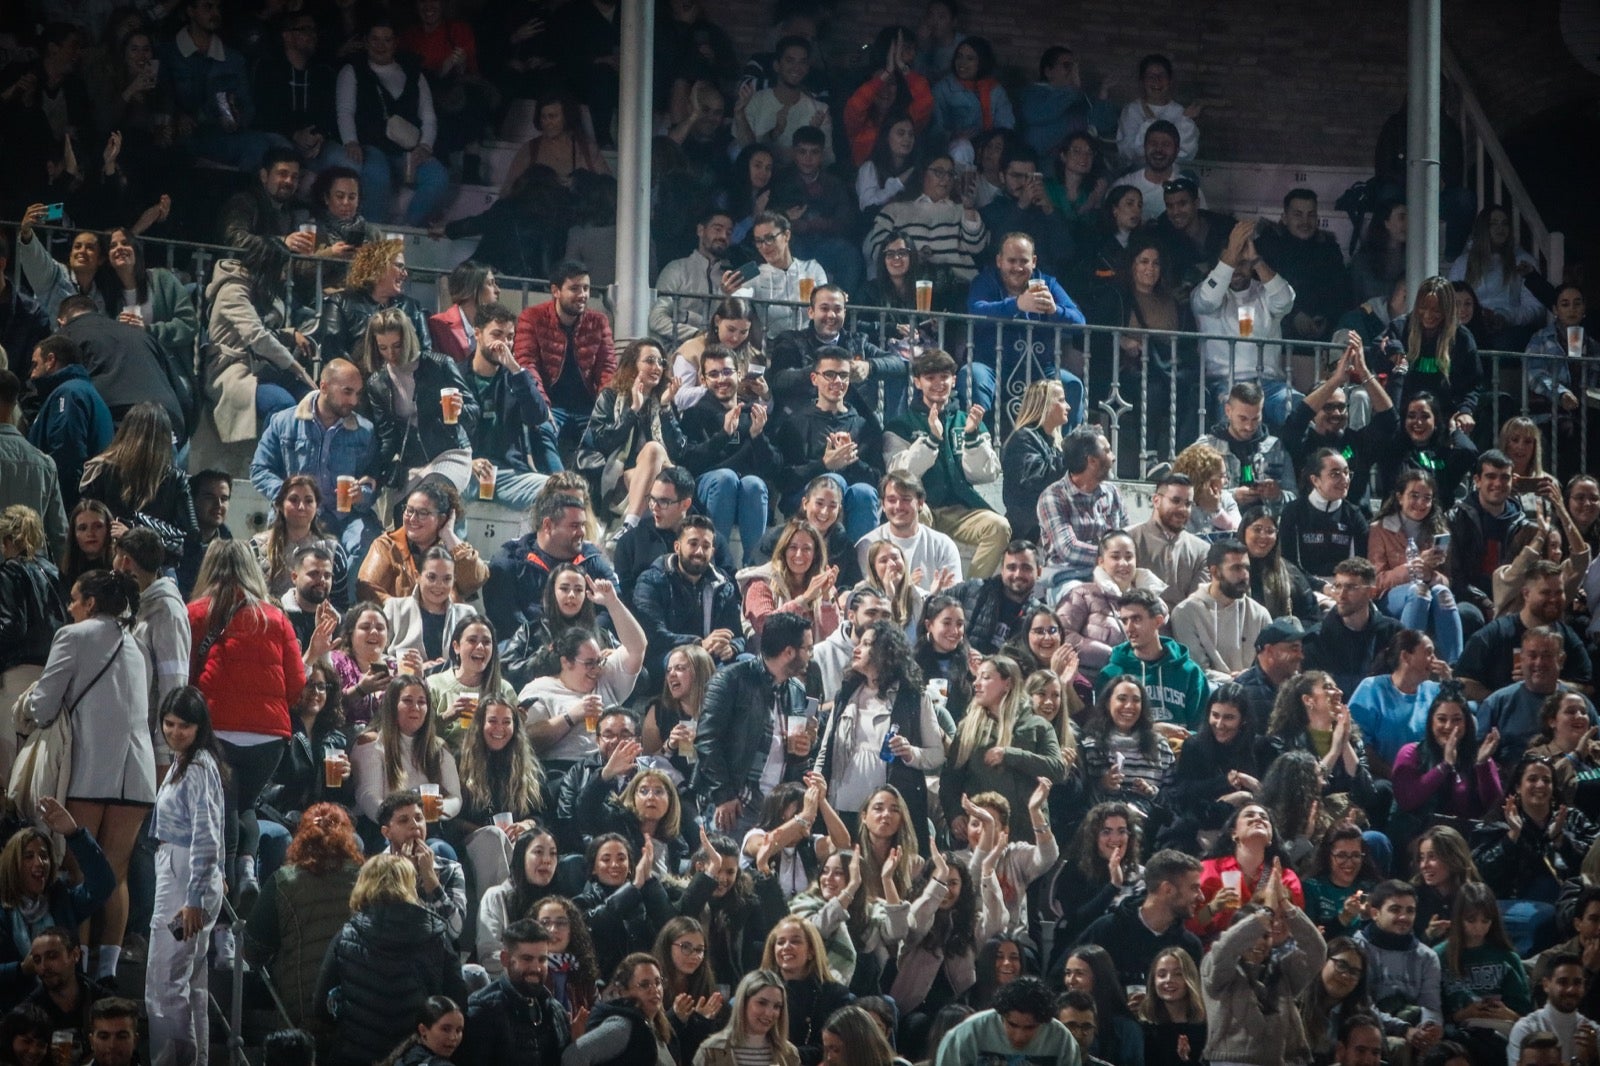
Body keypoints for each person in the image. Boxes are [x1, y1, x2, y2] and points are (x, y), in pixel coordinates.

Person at [26, 569, 152, 985]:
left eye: (76, 600)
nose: (71, 608)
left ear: (92, 603)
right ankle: (110, 972)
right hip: (137, 776)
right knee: (114, 875)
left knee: (78, 873)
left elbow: (43, 707)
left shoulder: (72, 636)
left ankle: (76, 972)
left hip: (91, 769)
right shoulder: (135, 644)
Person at [188, 540, 305, 911]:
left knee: (224, 812)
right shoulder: (275, 616)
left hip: (215, 732)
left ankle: (225, 896)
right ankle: (248, 871)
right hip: (269, 738)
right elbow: (297, 684)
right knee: (243, 805)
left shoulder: (195, 613)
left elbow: (184, 676)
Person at [316, 853, 469, 1066]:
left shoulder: (347, 935)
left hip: (357, 1055)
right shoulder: (436, 934)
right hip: (416, 1056)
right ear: (410, 885)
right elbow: (457, 999)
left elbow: (321, 1006)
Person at [144, 687, 226, 1063]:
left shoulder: (196, 766)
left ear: (200, 726)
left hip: (184, 875)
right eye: (169, 723)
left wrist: (194, 899)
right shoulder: (189, 761)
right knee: (191, 984)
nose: (174, 732)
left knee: (164, 983)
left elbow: (206, 834)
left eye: (184, 725)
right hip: (186, 871)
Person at [883, 351, 1010, 577]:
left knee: (999, 526)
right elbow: (898, 475)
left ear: (953, 380)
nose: (939, 383)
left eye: (944, 377)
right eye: (930, 378)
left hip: (961, 511)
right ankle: (922, 587)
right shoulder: (900, 425)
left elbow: (987, 474)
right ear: (917, 382)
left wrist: (971, 437)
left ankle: (970, 589)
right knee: (915, 515)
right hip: (922, 508)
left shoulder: (968, 420)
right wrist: (931, 439)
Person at [693, 612, 814, 836]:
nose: (810, 655)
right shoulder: (730, 680)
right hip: (734, 804)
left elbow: (794, 753)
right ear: (788, 652)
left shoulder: (796, 691)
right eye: (807, 649)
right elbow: (707, 740)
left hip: (776, 807)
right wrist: (724, 795)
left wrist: (802, 750)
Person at [1201, 867, 1326, 1066]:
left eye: (1266, 936)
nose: (1259, 942)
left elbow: (1317, 951)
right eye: (1253, 935)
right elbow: (1226, 947)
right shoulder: (1217, 968)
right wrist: (1265, 912)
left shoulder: (1282, 969)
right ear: (1239, 933)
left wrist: (1285, 905)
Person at [966, 233, 1087, 424]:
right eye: (1011, 261)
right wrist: (1017, 304)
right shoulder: (986, 280)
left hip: (1039, 369)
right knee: (972, 376)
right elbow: (975, 311)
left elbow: (1080, 323)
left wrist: (1055, 310)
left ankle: (1064, 451)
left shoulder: (1047, 283)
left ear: (1034, 261)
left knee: (1071, 384)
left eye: (1024, 261)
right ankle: (979, 446)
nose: (1018, 267)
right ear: (999, 261)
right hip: (992, 366)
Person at [1193, 220, 1298, 429]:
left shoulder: (1264, 291)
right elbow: (1207, 301)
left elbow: (1286, 300)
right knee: (1231, 419)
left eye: (1243, 263)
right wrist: (1231, 254)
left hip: (1270, 385)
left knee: (1300, 410)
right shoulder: (1204, 292)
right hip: (1226, 384)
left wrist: (1256, 260)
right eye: (1231, 263)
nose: (1236, 270)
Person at [576, 338, 685, 532]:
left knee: (657, 456)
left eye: (661, 362)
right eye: (650, 361)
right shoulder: (610, 397)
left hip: (659, 479)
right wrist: (633, 410)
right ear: (632, 365)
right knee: (654, 452)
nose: (657, 367)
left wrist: (666, 408)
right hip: (619, 476)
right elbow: (603, 442)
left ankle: (629, 527)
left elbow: (678, 450)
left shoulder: (664, 401)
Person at [512, 261, 617, 450]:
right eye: (575, 289)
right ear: (556, 291)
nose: (583, 295)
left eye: (586, 288)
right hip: (552, 404)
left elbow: (607, 368)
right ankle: (556, 480)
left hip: (587, 406)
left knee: (606, 442)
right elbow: (527, 364)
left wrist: (605, 408)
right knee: (542, 433)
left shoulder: (598, 321)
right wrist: (542, 406)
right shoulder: (532, 317)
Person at [1078, 848, 1204, 987]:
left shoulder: (1189, 946)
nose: (1201, 897)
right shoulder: (1105, 931)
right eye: (1194, 888)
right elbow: (1062, 981)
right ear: (1167, 889)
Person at [1378, 276, 1483, 436]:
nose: (1428, 315)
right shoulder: (1400, 327)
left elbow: (1473, 383)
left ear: (1447, 310)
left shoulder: (1461, 337)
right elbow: (1377, 348)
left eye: (1436, 310)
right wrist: (1392, 350)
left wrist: (1465, 411)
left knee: (1467, 451)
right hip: (1405, 416)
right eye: (1423, 308)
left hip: (1445, 418)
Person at [1099, 588, 1210, 738]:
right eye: (1124, 621)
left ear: (1158, 621)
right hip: (1129, 753)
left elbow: (1202, 728)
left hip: (1182, 753)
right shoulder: (1111, 673)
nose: (1129, 628)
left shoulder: (1190, 672)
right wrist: (1151, 731)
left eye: (1136, 619)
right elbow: (1103, 728)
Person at [357, 477, 487, 605]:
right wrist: (411, 610)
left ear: (441, 519)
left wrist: (448, 535)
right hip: (398, 623)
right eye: (409, 510)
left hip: (444, 624)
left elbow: (475, 580)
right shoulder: (386, 546)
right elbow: (368, 590)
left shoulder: (451, 550)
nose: (413, 518)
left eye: (423, 513)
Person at [460, 918, 572, 1066]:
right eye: (527, 959)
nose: (536, 968)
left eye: (542, 959)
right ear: (505, 959)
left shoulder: (555, 1009)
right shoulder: (483, 1011)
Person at [316, 239, 433, 366]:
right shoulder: (341, 302)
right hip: (356, 380)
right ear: (378, 266)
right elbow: (333, 353)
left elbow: (425, 352)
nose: (405, 274)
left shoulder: (413, 307)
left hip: (407, 378)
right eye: (399, 266)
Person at [1171, 539, 1272, 684]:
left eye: (1246, 568)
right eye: (1236, 568)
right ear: (1215, 572)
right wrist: (1240, 679)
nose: (1244, 575)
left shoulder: (1259, 613)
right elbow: (1196, 670)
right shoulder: (1185, 613)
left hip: (1254, 690)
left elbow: (1269, 664)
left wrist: (1251, 676)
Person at [1348, 629, 1451, 770]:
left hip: (1430, 776)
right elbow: (1359, 743)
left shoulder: (1436, 690)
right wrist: (1394, 777)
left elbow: (1459, 727)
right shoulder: (1371, 688)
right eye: (1428, 653)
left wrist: (1450, 686)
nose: (1434, 659)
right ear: (1406, 656)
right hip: (1382, 778)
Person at [1037, 429, 1126, 584]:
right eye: (1107, 451)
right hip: (1067, 576)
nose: (1113, 457)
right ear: (1091, 461)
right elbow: (1069, 549)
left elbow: (1125, 536)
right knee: (1082, 598)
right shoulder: (1054, 496)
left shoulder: (1112, 493)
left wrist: (1117, 557)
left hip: (1109, 574)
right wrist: (1113, 556)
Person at [1305, 559, 1404, 698]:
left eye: (1351, 587)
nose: (1341, 594)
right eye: (1338, 586)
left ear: (1371, 592)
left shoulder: (1393, 633)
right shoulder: (1316, 639)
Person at [934, 976, 1077, 1066]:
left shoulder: (1061, 1039)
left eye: (1030, 1028)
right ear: (1000, 1015)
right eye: (1012, 1025)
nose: (1019, 1035)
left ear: (1044, 1022)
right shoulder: (967, 1034)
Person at [250, 476, 347, 603]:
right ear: (279, 505)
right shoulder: (256, 547)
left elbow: (340, 603)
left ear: (316, 506)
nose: (301, 506)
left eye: (308, 501)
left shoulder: (333, 551)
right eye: (293, 500)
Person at [1001, 380, 1070, 544]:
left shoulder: (1054, 443)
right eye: (1061, 400)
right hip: (1027, 532)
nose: (1068, 406)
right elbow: (1035, 479)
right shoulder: (1023, 438)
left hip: (1047, 523)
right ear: (1043, 405)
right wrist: (1072, 455)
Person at [1507, 954, 1600, 1065]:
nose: (1571, 990)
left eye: (1577, 983)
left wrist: (1594, 1058)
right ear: (1546, 985)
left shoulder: (1593, 1033)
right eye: (1563, 982)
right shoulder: (1525, 1029)